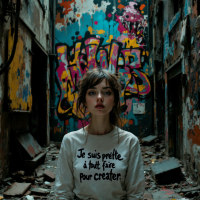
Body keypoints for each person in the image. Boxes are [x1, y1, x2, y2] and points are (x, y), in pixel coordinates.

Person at [55, 68, 145, 200]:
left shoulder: (129, 142)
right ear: (85, 101)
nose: (99, 98)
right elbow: (63, 192)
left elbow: (135, 194)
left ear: (114, 100)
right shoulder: (70, 141)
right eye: (92, 92)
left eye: (107, 92)